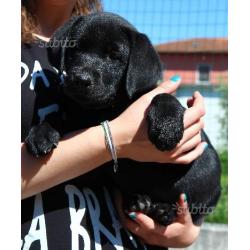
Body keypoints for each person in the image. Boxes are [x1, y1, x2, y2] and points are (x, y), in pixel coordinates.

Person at [21, 0, 206, 249]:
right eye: (79, 50)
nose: (84, 72)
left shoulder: (111, 31)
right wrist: (115, 140)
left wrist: (185, 228)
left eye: (112, 56)